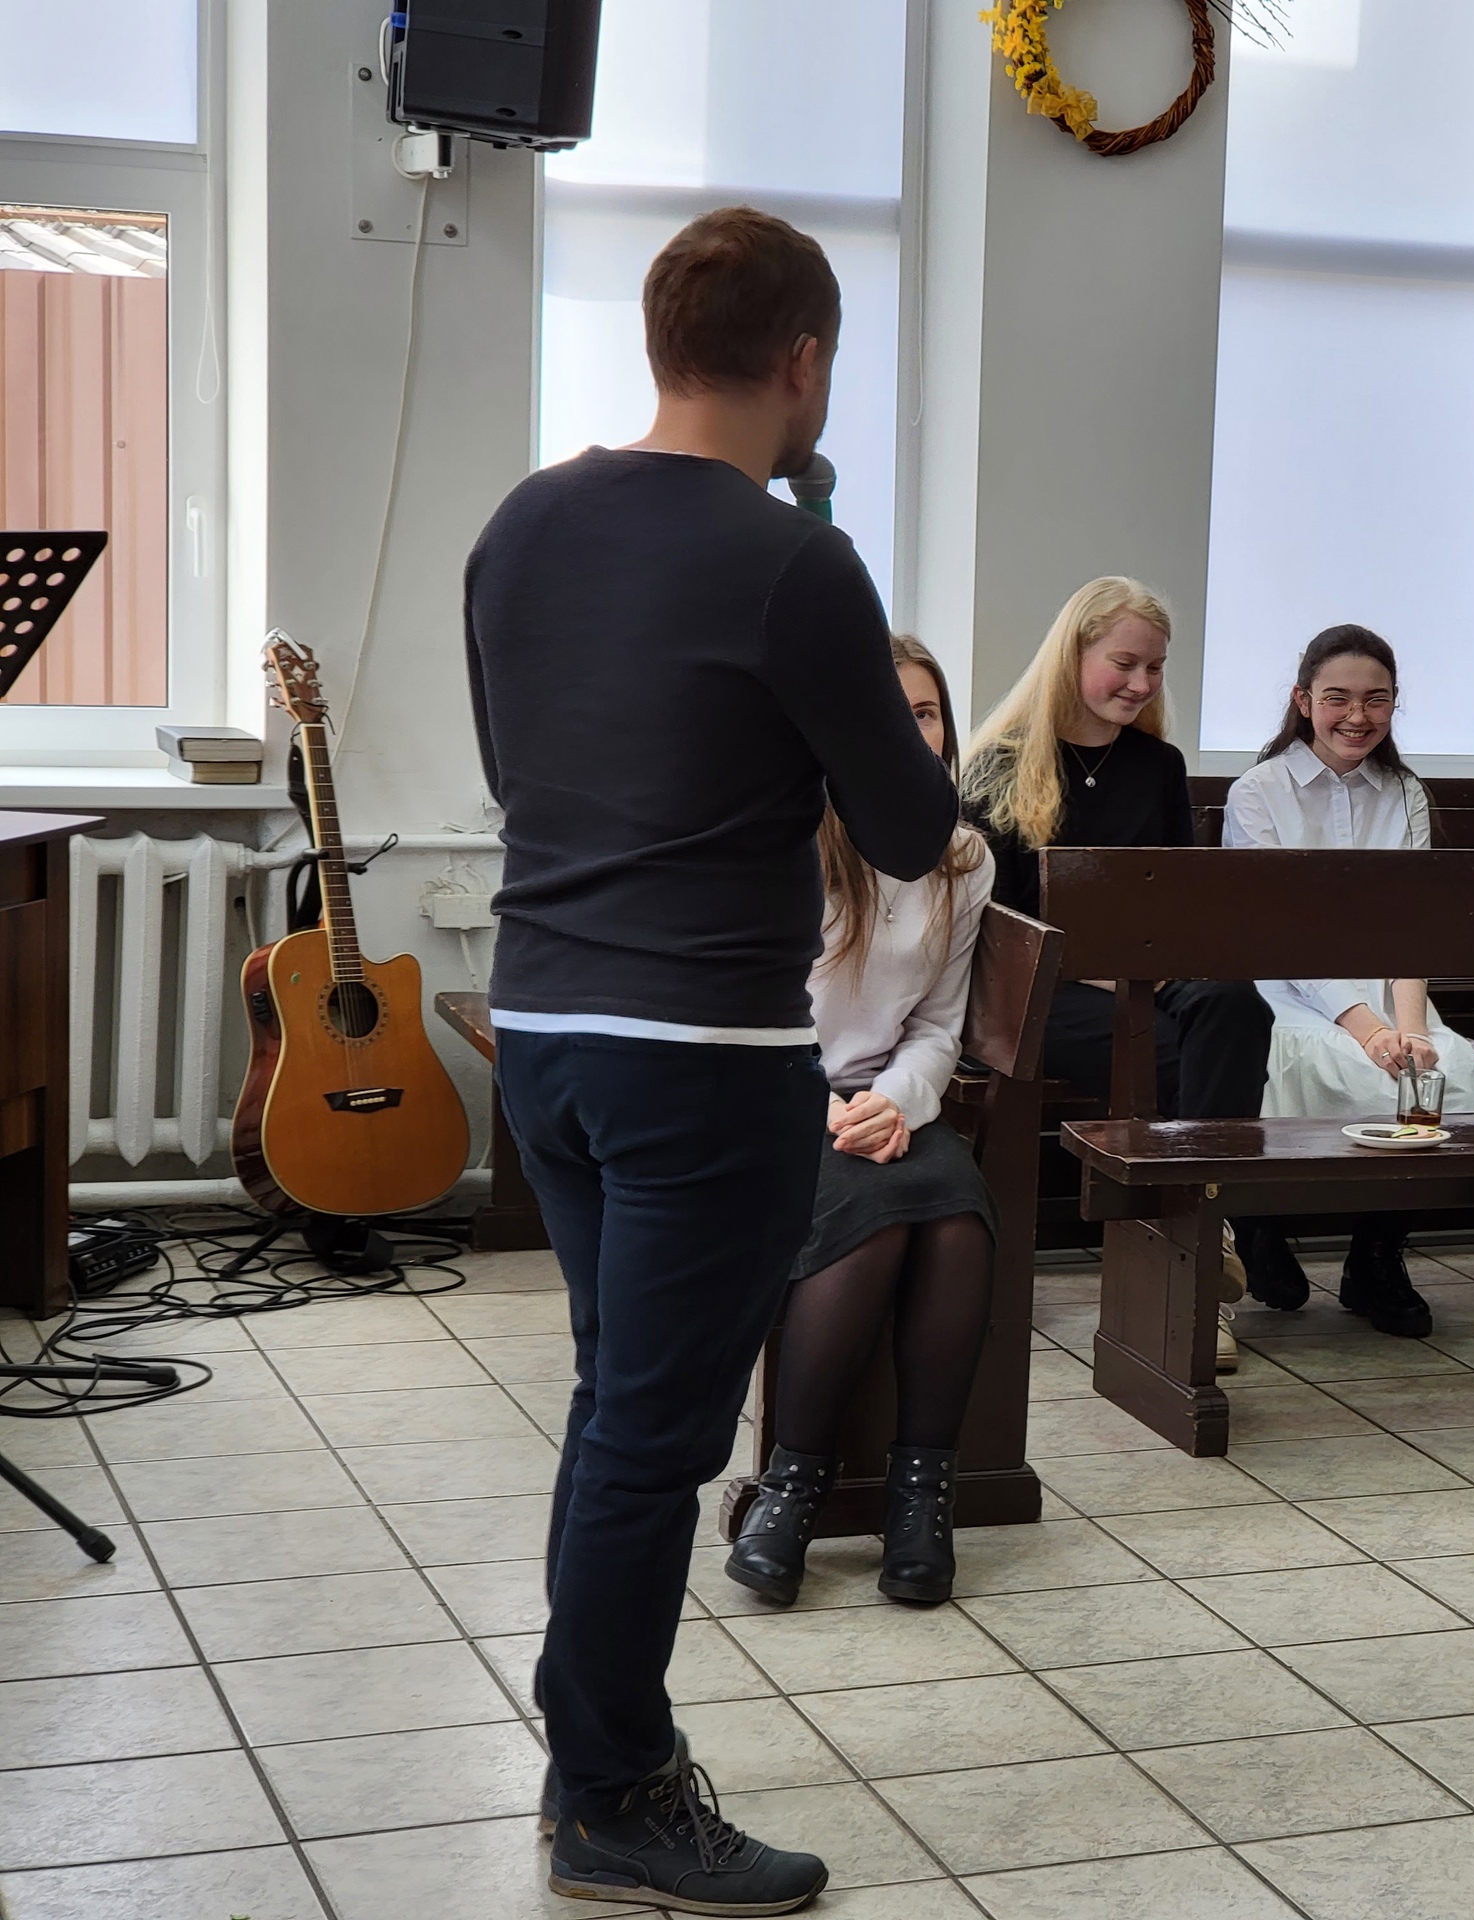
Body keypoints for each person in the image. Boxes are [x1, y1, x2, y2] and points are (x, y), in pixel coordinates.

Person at [468, 208, 958, 1914]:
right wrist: (826, 578)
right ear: (803, 362)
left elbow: (520, 766)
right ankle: (613, 1792)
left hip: (542, 1031)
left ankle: (590, 1764)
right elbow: (911, 829)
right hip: (703, 1050)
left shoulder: (523, 524)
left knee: (616, 1404)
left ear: (662, 340)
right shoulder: (794, 564)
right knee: (657, 1435)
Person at [725, 636, 996, 1611]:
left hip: (890, 1103)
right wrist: (826, 1102)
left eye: (925, 714)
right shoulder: (782, 833)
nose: (909, 732)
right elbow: (744, 1005)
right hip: (770, 1097)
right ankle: (791, 1491)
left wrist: (898, 1101)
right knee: (876, 1226)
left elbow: (939, 1025)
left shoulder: (962, 857)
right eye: (890, 711)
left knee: (958, 1224)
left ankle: (921, 1502)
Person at [958, 579, 1279, 1299]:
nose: (1141, 683)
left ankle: (1197, 1241)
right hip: (1038, 991)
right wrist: (1113, 971)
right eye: (1125, 663)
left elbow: (1178, 895)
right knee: (1183, 1063)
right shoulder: (998, 764)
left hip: (1146, 971)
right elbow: (993, 927)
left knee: (1237, 1008)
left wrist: (1158, 963)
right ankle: (1207, 1245)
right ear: (1072, 654)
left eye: (1155, 667)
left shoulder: (1157, 765)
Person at [1220, 626, 1474, 1338]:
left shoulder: (1404, 792)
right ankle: (1258, 1225)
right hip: (1281, 987)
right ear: (1303, 700)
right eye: (1338, 699)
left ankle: (1377, 1256)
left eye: (1376, 700)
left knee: (1443, 1073)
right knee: (1319, 1064)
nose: (1358, 716)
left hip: (1389, 984)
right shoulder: (1258, 792)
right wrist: (1368, 1030)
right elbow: (1283, 934)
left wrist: (1409, 1028)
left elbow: (1410, 924)